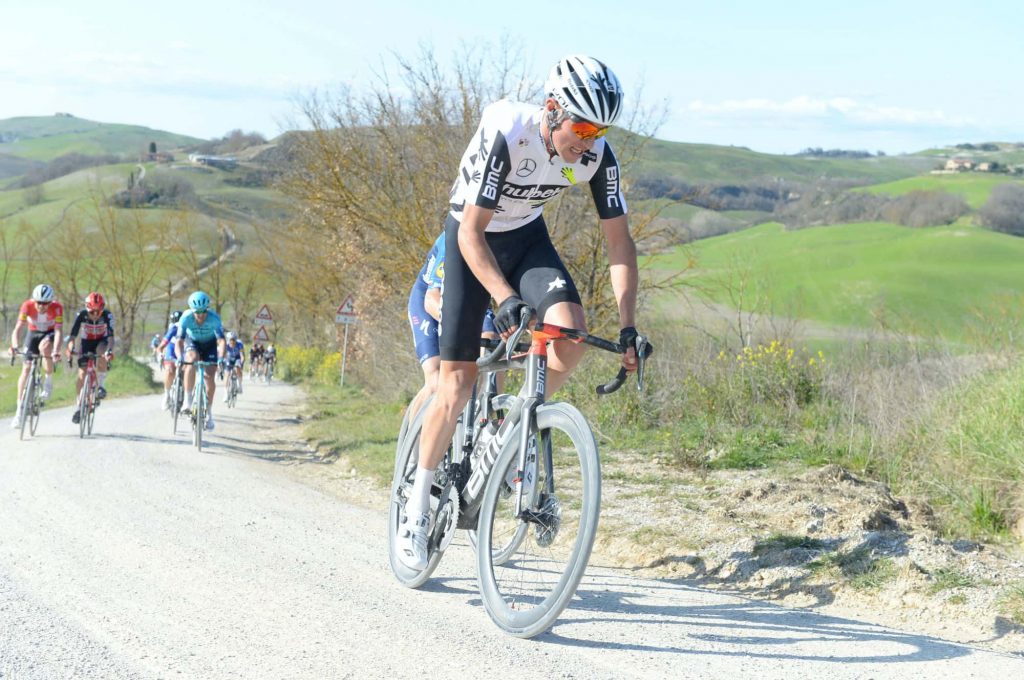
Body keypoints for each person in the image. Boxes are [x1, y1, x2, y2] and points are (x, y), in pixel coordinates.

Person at [395, 55, 649, 570]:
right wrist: (504, 296)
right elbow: (470, 232)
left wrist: (627, 326)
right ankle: (416, 506)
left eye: (599, 129)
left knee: (570, 336)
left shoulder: (597, 156)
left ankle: (509, 428)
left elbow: (619, 243)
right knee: (457, 383)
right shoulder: (508, 131)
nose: (588, 140)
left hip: (526, 238)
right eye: (580, 126)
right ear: (553, 110)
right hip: (470, 239)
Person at [406, 232, 499, 422]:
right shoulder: (455, 235)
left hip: (472, 302)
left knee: (492, 347)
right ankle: (412, 446)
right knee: (436, 376)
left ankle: (486, 420)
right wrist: (462, 328)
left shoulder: (507, 235)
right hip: (430, 298)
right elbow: (431, 299)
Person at [9, 284, 64, 428]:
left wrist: (56, 350)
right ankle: (18, 413)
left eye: (45, 303)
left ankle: (48, 381)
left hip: (49, 334)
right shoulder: (27, 306)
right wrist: (14, 346)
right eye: (39, 302)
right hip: (32, 334)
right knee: (26, 369)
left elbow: (58, 331)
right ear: (34, 301)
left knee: (45, 347)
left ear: (50, 302)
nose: (42, 306)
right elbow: (18, 328)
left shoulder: (57, 307)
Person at [174, 291, 225, 431]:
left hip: (210, 345)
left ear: (207, 308)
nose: (201, 315)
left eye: (203, 312)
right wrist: (179, 357)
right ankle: (188, 400)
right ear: (191, 310)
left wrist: (221, 358)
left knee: (209, 377)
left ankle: (209, 413)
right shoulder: (185, 318)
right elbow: (179, 341)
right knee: (190, 360)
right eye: (197, 312)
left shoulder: (214, 318)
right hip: (193, 343)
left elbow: (221, 341)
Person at [64, 292, 115, 423]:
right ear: (87, 309)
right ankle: (79, 406)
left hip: (101, 341)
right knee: (81, 375)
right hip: (86, 344)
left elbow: (110, 338)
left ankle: (101, 386)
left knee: (102, 352)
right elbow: (72, 336)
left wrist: (109, 350)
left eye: (99, 311)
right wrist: (70, 348)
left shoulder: (107, 315)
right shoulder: (81, 315)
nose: (96, 315)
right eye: (92, 312)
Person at [157, 310, 183, 410]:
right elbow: (161, 346)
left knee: (187, 369)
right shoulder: (173, 329)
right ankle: (167, 394)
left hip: (184, 351)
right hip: (171, 351)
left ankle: (185, 393)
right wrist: (160, 354)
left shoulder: (189, 328)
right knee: (170, 370)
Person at [221, 331, 245, 400]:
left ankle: (239, 385)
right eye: (230, 340)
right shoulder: (226, 345)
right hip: (229, 359)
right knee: (227, 374)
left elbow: (242, 355)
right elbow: (223, 355)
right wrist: (222, 361)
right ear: (228, 340)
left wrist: (242, 362)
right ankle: (225, 393)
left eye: (234, 340)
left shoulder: (239, 344)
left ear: (236, 339)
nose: (232, 342)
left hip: (237, 358)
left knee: (238, 367)